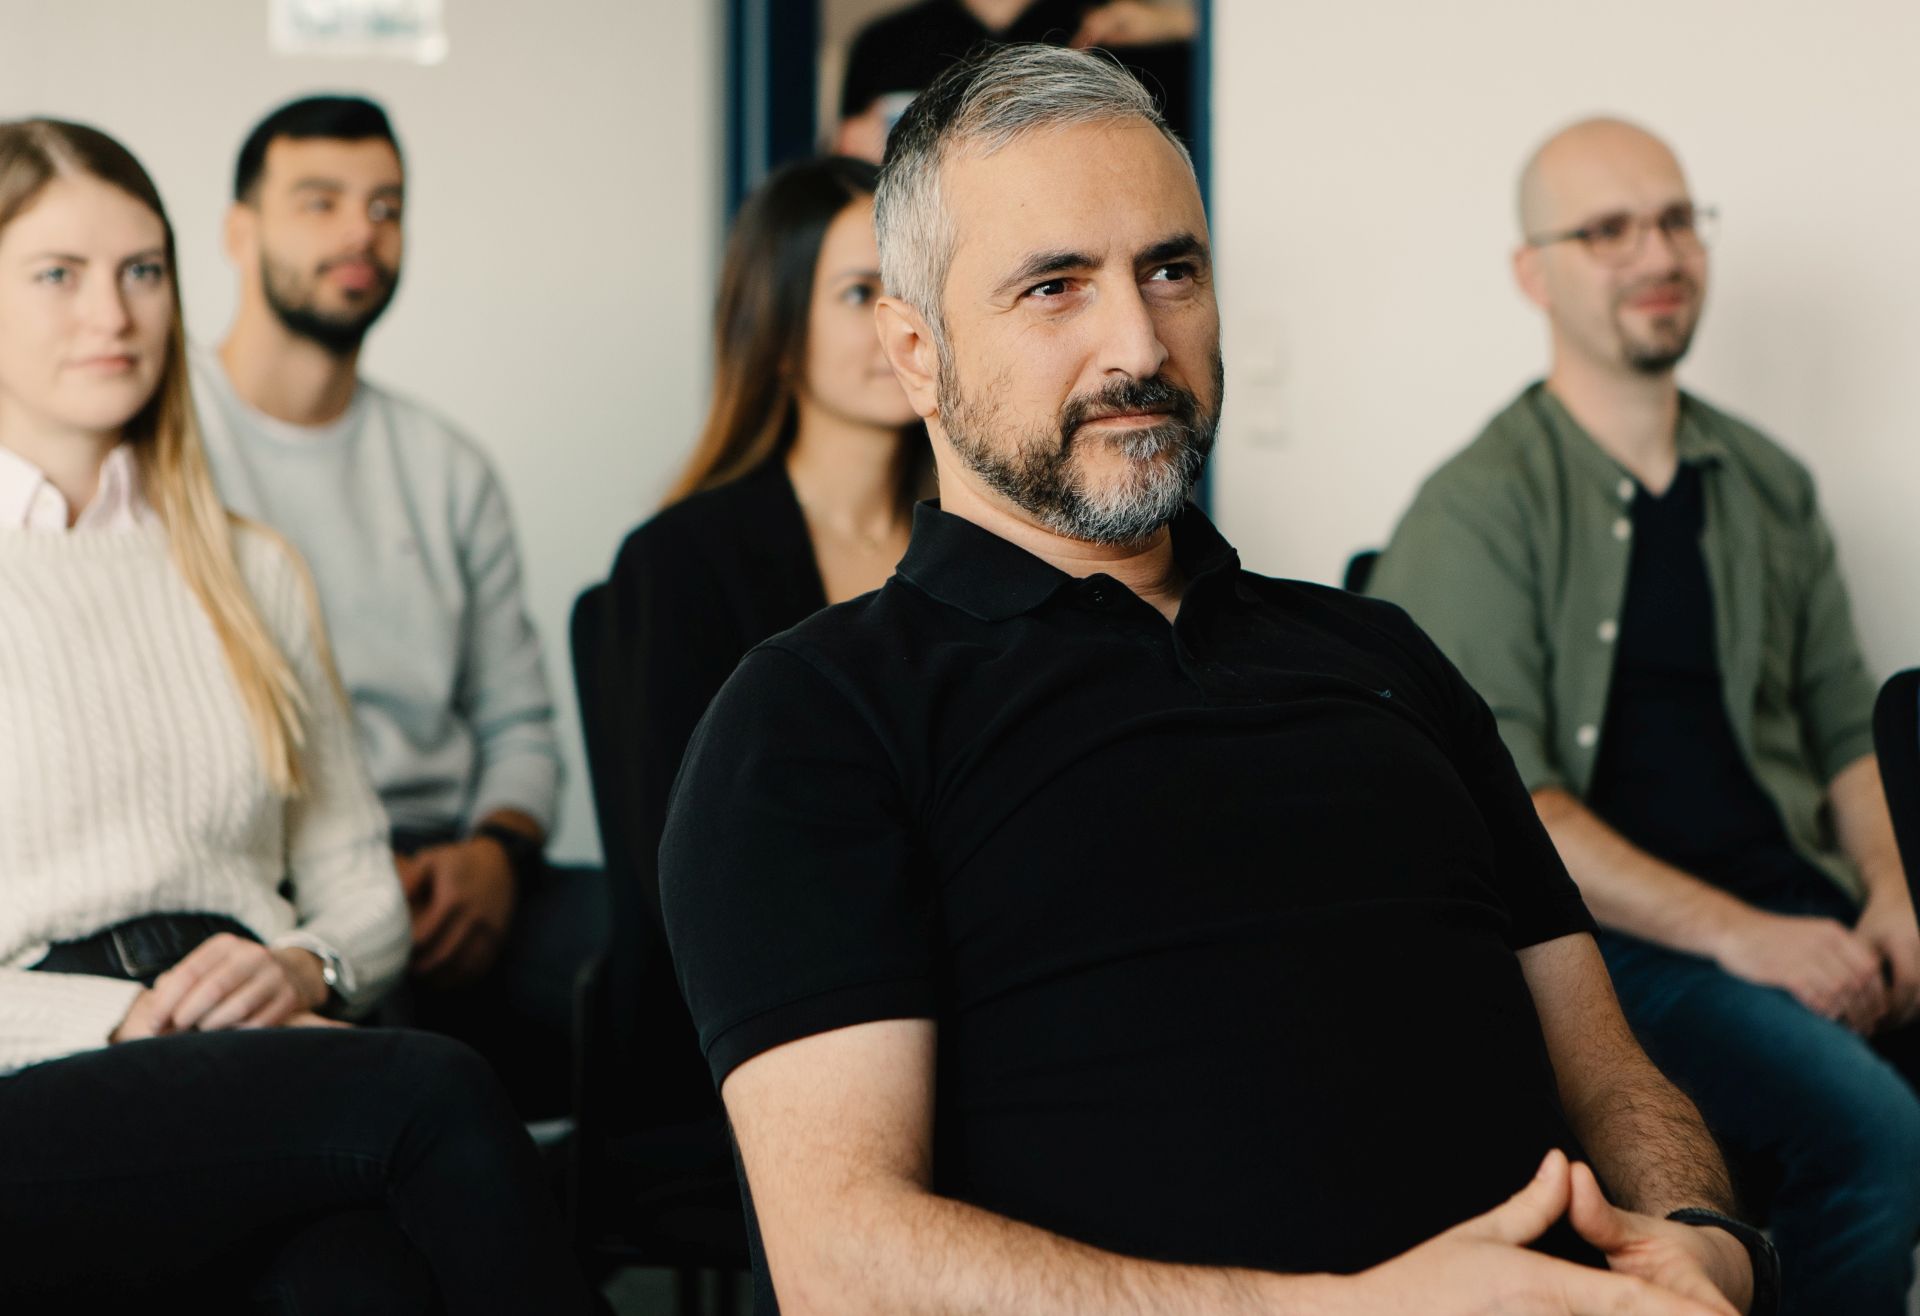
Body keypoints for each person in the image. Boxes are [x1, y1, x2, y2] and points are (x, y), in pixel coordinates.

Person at [661, 47, 1770, 1316]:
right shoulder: (814, 718)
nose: (1139, 341)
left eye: (1171, 270)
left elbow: (1609, 1068)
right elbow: (842, 1263)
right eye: (1055, 286)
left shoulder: (1383, 654)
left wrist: (1708, 1240)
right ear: (917, 352)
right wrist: (1355, 1309)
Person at [0, 117, 594, 1313]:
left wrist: (304, 963)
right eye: (58, 273)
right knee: (435, 1089)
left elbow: (356, 881)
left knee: (358, 1281)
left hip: (256, 1034)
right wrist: (129, 1018)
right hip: (43, 1060)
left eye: (142, 270)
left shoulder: (252, 568)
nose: (113, 313)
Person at [1367, 117, 1920, 1316]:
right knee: (1873, 1134)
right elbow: (1505, 808)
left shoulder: (1768, 482)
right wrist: (1745, 936)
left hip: (1804, 914)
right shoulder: (1475, 508)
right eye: (1609, 229)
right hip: (1623, 951)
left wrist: (1894, 893)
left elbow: (1845, 730)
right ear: (1535, 272)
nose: (1657, 253)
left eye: (1675, 221)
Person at [193, 94, 592, 1116]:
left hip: (449, 864)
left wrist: (496, 854)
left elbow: (519, 724)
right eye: (319, 201)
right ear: (239, 232)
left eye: (385, 206)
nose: (359, 233)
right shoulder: (163, 442)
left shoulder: (447, 467)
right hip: (268, 868)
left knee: (664, 961)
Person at [590, 155, 927, 1129]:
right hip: (762, 1035)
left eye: (911, 286)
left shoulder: (985, 545)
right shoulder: (680, 561)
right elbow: (689, 872)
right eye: (858, 292)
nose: (896, 321)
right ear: (778, 332)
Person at [835, 0, 1195, 163]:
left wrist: (1189, 25)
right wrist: (856, 158)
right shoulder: (883, 44)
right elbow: (843, 187)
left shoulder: (1126, 30)